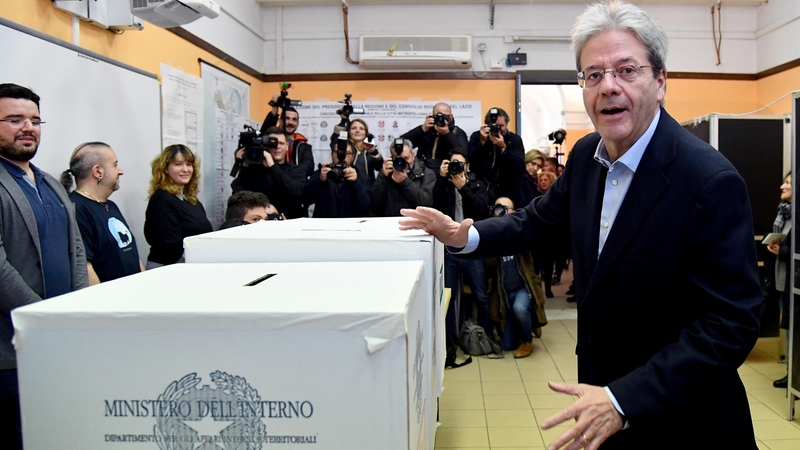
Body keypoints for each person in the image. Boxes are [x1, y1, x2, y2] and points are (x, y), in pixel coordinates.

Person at [399, 1, 762, 449]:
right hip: (599, 403)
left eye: (626, 70)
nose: (608, 87)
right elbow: (539, 220)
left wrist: (622, 400)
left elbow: (731, 325)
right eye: (594, 74)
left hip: (683, 421)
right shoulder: (588, 156)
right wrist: (464, 234)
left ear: (661, 80)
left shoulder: (709, 180)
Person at [0, 83, 88, 449]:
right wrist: (41, 316)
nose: (28, 127)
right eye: (14, 119)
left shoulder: (50, 182)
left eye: (35, 120)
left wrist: (80, 307)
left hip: (58, 337)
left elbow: (76, 250)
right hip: (11, 346)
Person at [61, 142, 143, 284]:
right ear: (98, 172)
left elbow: (131, 251)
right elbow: (85, 268)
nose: (121, 171)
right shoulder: (76, 210)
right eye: (115, 165)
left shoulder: (110, 206)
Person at [433, 148, 492, 342]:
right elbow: (436, 206)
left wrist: (464, 188)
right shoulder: (444, 185)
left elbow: (481, 211)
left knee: (481, 295)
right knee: (448, 297)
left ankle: (487, 337)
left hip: (472, 249)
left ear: (467, 166)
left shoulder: (476, 184)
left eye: (459, 163)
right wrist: (442, 180)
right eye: (452, 164)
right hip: (449, 250)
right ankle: (449, 340)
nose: (456, 167)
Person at [484, 197, 547, 358]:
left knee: (520, 308)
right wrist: (495, 235)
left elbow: (534, 249)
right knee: (507, 345)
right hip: (504, 294)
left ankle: (527, 341)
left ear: (514, 211)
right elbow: (489, 263)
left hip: (522, 288)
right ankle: (529, 323)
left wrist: (513, 229)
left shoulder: (522, 229)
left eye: (507, 208)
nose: (503, 212)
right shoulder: (492, 232)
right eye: (499, 208)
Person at [144, 144, 213, 269]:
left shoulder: (191, 200)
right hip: (168, 270)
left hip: (190, 267)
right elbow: (171, 249)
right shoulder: (162, 200)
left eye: (189, 164)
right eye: (178, 164)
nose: (185, 169)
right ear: (165, 169)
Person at [231, 127, 307, 219]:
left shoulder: (297, 170)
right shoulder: (255, 171)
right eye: (273, 143)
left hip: (289, 225)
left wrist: (273, 167)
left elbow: (296, 193)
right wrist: (244, 167)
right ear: (265, 146)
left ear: (287, 146)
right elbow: (238, 197)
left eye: (281, 143)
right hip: (259, 226)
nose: (277, 146)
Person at [467, 107, 527, 207]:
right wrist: (481, 143)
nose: (498, 129)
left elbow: (520, 167)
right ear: (487, 125)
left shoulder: (514, 140)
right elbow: (471, 163)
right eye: (494, 126)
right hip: (482, 188)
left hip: (508, 189)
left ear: (507, 124)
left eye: (501, 126)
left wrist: (503, 148)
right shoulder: (478, 137)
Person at [767, 173, 791, 388]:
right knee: (788, 326)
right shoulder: (783, 213)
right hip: (783, 278)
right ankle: (791, 372)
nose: (783, 186)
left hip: (795, 281)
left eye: (789, 183)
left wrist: (783, 251)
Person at [304, 139, 371, 218]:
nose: (342, 156)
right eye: (337, 152)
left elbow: (367, 208)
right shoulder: (321, 173)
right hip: (324, 226)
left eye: (347, 153)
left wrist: (356, 183)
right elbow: (305, 200)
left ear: (353, 156)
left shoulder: (361, 176)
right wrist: (319, 180)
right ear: (332, 154)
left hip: (352, 226)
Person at [371, 139, 435, 217]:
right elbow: (375, 203)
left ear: (413, 155)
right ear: (392, 158)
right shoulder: (386, 173)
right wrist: (383, 176)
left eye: (406, 158)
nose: (403, 162)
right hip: (390, 221)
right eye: (398, 159)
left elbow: (427, 203)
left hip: (416, 222)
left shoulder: (426, 173)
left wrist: (405, 182)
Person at [401, 102, 469, 172]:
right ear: (433, 116)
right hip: (423, 174)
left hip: (446, 173)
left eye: (445, 116)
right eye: (438, 116)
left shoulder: (457, 132)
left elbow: (463, 155)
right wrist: (422, 129)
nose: (442, 119)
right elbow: (400, 144)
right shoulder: (426, 131)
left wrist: (447, 134)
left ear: (451, 117)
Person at [263, 93, 314, 178]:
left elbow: (308, 167)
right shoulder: (270, 141)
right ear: (280, 121)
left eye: (294, 119)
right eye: (287, 118)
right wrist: (274, 109)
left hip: (295, 183)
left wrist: (289, 174)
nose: (290, 122)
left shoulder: (305, 146)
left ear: (297, 123)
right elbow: (264, 133)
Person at [347, 118, 383, 188]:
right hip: (348, 187)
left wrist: (373, 152)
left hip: (368, 188)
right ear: (349, 132)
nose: (357, 131)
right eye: (354, 128)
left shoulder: (371, 149)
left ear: (366, 133)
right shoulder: (345, 149)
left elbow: (380, 167)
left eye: (361, 129)